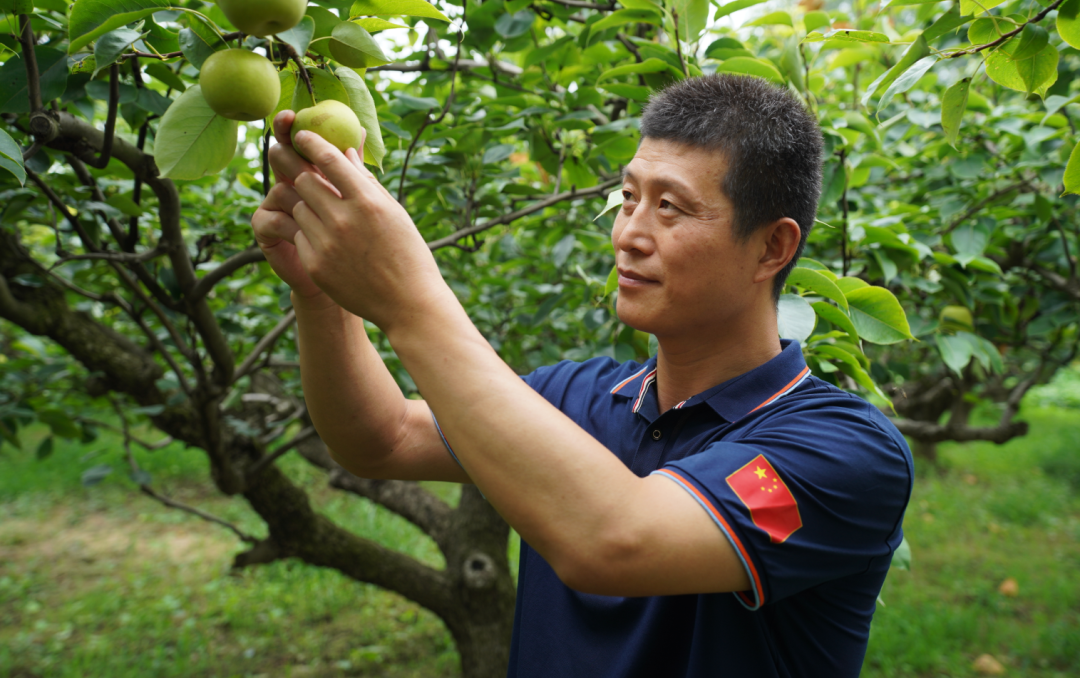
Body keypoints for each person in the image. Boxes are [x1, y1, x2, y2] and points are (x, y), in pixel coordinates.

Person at [251, 74, 914, 677]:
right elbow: (383, 436)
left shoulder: (847, 454)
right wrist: (322, 294)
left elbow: (615, 539)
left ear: (773, 246)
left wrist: (408, 297)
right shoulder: (578, 396)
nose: (629, 232)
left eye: (671, 208)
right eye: (629, 197)